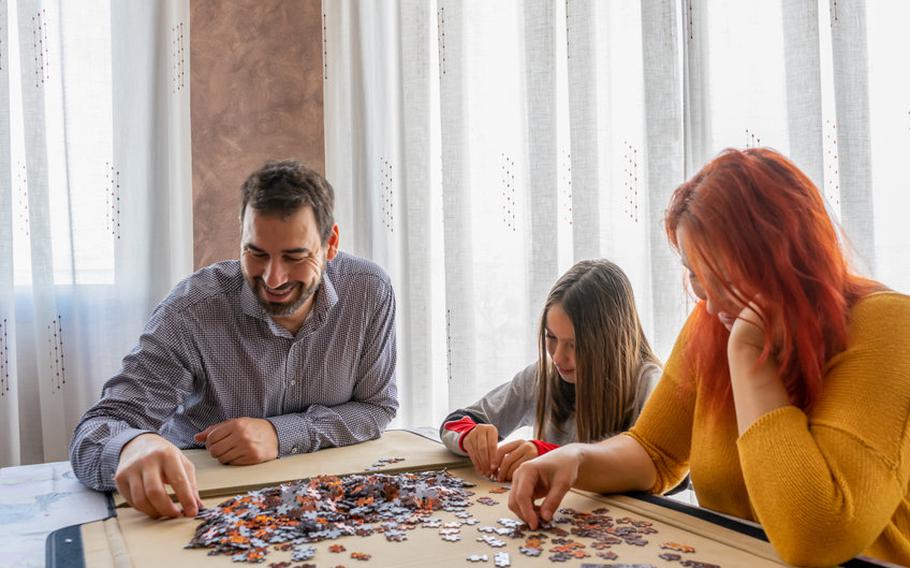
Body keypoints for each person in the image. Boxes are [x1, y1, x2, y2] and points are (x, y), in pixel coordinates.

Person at [508, 148, 910, 566]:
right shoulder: (716, 318)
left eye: (724, 275)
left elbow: (816, 536)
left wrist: (748, 356)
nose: (708, 299)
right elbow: (654, 451)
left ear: (787, 258)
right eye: (696, 273)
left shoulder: (889, 326)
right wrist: (574, 459)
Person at [69, 161, 398, 519]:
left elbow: (377, 408)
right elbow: (97, 431)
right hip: (203, 502)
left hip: (328, 502)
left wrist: (281, 434)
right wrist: (132, 445)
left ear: (330, 243)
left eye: (295, 256)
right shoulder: (191, 310)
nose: (273, 279)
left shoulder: (369, 290)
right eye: (256, 253)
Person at [440, 259, 661, 482]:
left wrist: (548, 456)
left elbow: (664, 472)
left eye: (575, 344)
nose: (557, 357)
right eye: (551, 337)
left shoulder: (649, 384)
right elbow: (456, 420)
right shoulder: (542, 376)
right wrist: (470, 435)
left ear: (612, 340)